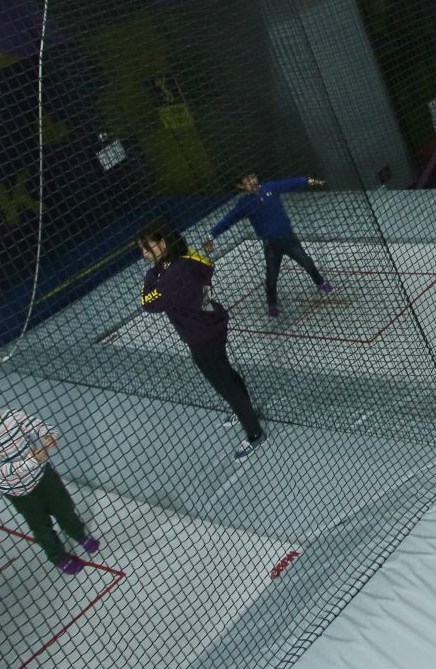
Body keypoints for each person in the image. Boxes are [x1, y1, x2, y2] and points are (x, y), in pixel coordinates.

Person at [137, 218, 269, 458]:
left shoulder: (171, 277)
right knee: (226, 372)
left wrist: (150, 275)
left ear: (163, 243)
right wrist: (159, 266)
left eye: (148, 248)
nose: (144, 254)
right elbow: (205, 265)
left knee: (223, 384)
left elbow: (148, 302)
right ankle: (247, 411)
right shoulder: (188, 256)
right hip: (213, 322)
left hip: (200, 335)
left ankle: (254, 432)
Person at [0, 385, 99, 574]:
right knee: (41, 527)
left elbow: (39, 426)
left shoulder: (13, 416)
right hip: (20, 492)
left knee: (65, 508)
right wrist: (32, 460)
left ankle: (79, 534)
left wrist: (48, 435)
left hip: (44, 476)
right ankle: (58, 556)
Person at [209, 173, 330, 319]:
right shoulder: (244, 204)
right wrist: (211, 235)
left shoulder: (271, 187)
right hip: (271, 245)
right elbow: (228, 219)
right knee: (271, 277)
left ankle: (320, 282)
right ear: (241, 186)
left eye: (253, 177)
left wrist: (311, 181)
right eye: (247, 181)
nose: (252, 181)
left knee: (306, 262)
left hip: (289, 240)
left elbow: (291, 182)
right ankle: (272, 304)